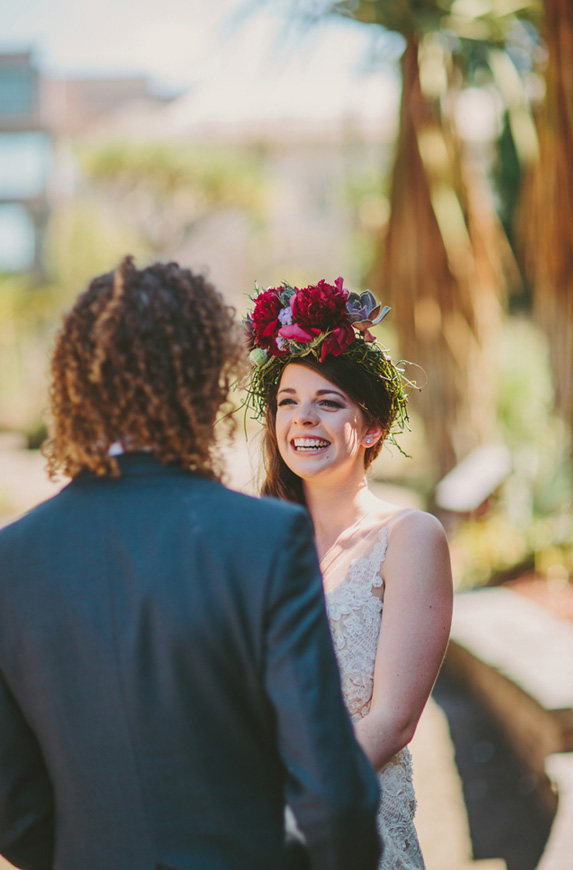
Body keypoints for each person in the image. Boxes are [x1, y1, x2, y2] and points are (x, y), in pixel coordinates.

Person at [0, 258, 382, 870]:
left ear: (77, 384)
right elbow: (331, 793)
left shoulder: (10, 560)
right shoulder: (266, 538)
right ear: (207, 380)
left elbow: (13, 810)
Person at [243, 277, 454, 869]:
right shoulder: (249, 540)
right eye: (288, 400)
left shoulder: (409, 538)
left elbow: (393, 720)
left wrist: (287, 808)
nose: (303, 419)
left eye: (328, 402)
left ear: (373, 427)